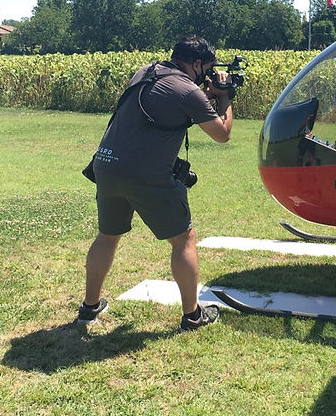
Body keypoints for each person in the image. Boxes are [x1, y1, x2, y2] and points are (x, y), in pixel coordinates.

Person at [78, 35, 233, 331]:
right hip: (147, 174)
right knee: (183, 239)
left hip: (107, 165)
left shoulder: (145, 72)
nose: (209, 74)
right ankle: (192, 315)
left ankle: (89, 307)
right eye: (208, 68)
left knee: (107, 236)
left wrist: (205, 94)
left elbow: (165, 104)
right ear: (196, 63)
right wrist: (224, 95)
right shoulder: (189, 92)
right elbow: (222, 133)